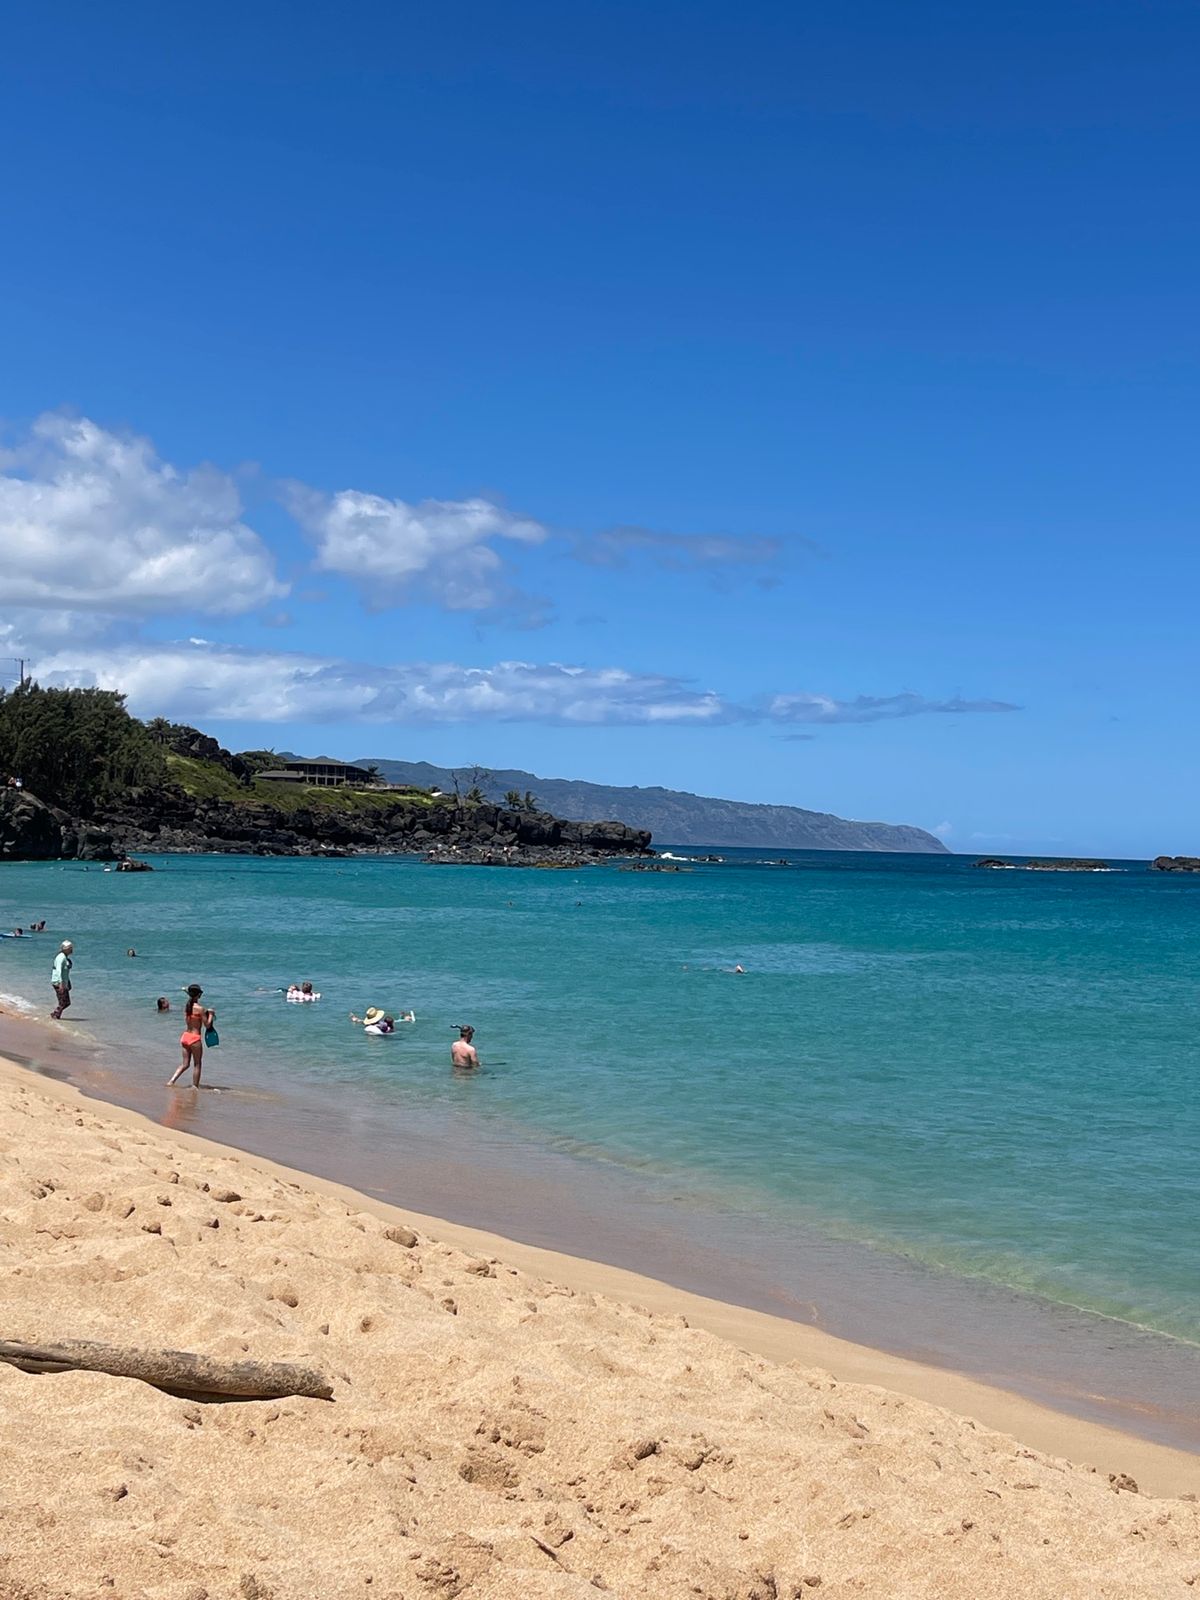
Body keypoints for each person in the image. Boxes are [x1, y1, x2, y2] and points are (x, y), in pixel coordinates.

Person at [168, 984, 215, 1088]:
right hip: (195, 1038)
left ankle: (171, 1081)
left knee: (185, 1064)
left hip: (185, 1036)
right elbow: (207, 1025)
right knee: (197, 1064)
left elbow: (193, 1005)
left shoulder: (187, 1007)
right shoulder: (200, 1009)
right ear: (199, 995)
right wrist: (211, 1014)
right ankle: (195, 1087)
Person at [50, 940, 73, 1019]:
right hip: (58, 982)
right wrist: (61, 983)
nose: (72, 950)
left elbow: (65, 971)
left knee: (65, 1002)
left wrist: (67, 982)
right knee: (64, 1002)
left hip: (63, 981)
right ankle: (55, 1015)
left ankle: (56, 1015)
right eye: (70, 948)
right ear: (66, 949)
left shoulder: (65, 957)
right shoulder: (61, 957)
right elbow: (59, 970)